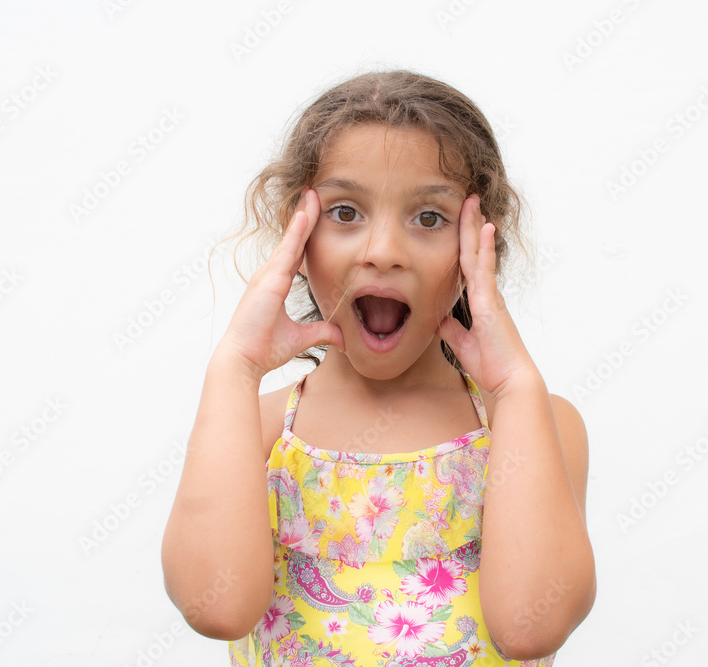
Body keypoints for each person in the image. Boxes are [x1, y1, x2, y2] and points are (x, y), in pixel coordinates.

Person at [161, 69, 596, 666]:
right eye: (345, 212)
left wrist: (517, 388)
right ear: (298, 232)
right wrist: (234, 367)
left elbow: (531, 628)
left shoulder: (530, 426)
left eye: (428, 218)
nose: (384, 251)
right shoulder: (255, 432)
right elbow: (217, 608)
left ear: (478, 248)